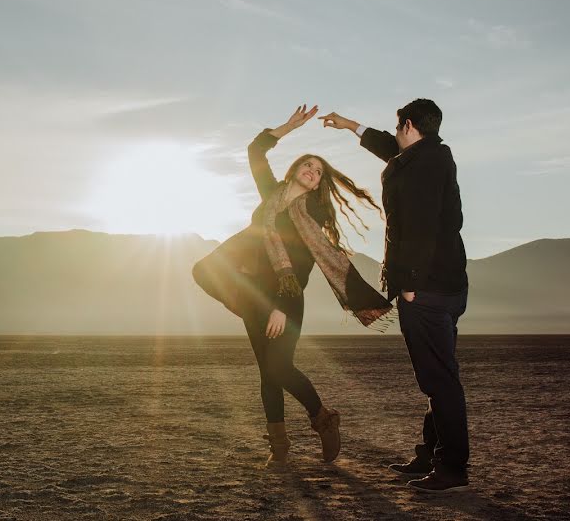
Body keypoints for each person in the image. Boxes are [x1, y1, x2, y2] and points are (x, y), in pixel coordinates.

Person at [192, 103, 394, 470]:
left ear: (319, 184)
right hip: (257, 296)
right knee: (207, 274)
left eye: (318, 172)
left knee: (279, 369)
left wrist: (280, 307)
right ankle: (280, 448)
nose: (313, 172)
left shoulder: (311, 216)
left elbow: (300, 267)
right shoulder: (270, 194)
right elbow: (255, 152)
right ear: (296, 168)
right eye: (308, 165)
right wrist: (288, 126)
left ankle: (323, 417)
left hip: (287, 299)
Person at [320, 99, 470, 493]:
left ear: (407, 124)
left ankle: (452, 469)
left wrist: (410, 284)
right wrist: (351, 126)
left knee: (440, 381)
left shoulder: (422, 166)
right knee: (437, 376)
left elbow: (420, 228)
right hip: (445, 285)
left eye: (398, 127)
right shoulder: (431, 154)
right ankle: (430, 455)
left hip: (426, 289)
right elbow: (395, 149)